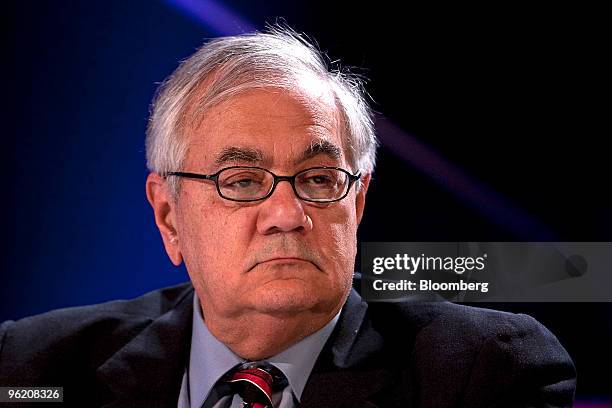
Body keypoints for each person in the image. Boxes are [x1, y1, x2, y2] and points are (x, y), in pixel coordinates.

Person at [0, 26, 575, 407]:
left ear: (359, 201)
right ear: (169, 216)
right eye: (242, 181)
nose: (286, 213)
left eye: (318, 179)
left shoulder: (481, 374)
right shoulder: (32, 369)